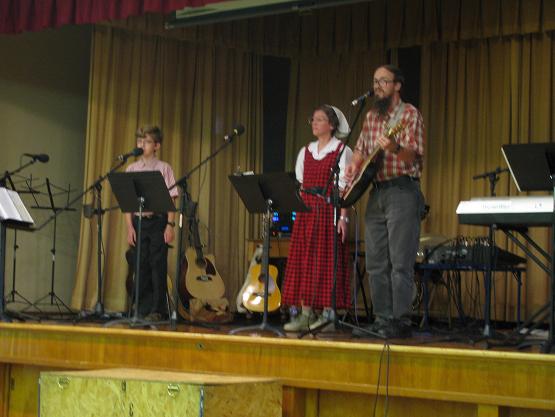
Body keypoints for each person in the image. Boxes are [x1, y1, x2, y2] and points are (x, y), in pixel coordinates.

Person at [344, 64, 425, 338]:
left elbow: (413, 156)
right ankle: (381, 319)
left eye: (384, 81)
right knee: (377, 261)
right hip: (376, 191)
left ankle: (400, 321)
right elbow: (361, 148)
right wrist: (354, 166)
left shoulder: (409, 114)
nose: (378, 86)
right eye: (376, 81)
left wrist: (395, 148)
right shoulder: (370, 116)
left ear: (397, 85)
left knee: (400, 262)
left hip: (402, 191)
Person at [282, 105, 353, 332]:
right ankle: (305, 313)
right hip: (307, 213)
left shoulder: (342, 150)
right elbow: (302, 184)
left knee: (326, 261)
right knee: (304, 262)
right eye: (313, 119)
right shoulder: (306, 151)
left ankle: (328, 314)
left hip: (328, 211)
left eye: (320, 119)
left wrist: (343, 218)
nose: (314, 123)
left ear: (331, 125)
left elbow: (345, 189)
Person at [125, 125, 178, 321]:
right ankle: (141, 308)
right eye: (140, 140)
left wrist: (169, 225)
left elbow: (172, 199)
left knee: (157, 265)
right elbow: (128, 203)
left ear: (156, 145)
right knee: (141, 265)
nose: (142, 144)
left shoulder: (164, 168)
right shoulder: (132, 168)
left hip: (158, 222)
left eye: (147, 141)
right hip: (139, 222)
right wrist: (130, 227)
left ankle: (158, 310)